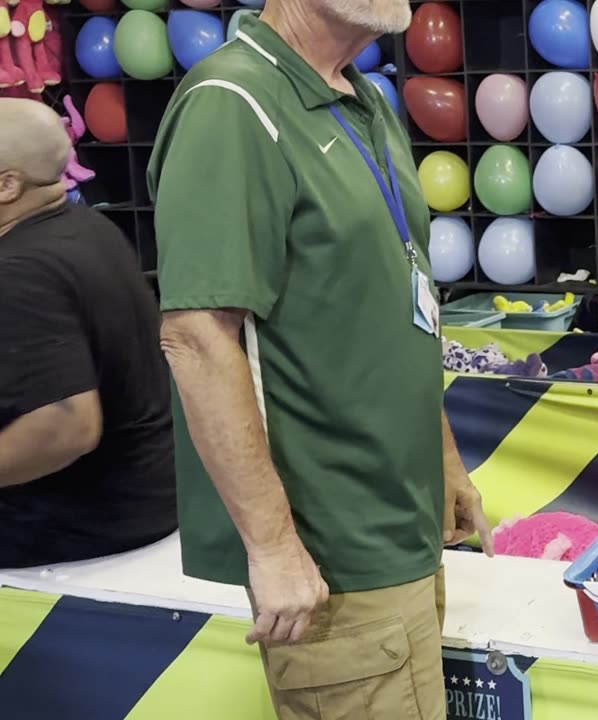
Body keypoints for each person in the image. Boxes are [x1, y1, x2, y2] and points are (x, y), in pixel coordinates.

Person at [146, 1, 492, 717]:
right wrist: (272, 548)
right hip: (332, 553)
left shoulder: (359, 97)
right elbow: (199, 338)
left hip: (401, 525)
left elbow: (394, 299)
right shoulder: (232, 104)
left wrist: (443, 457)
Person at [0, 98, 175, 568]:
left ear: (7, 185)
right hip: (144, 493)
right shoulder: (84, 227)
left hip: (81, 522)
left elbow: (66, 425)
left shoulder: (19, 272)